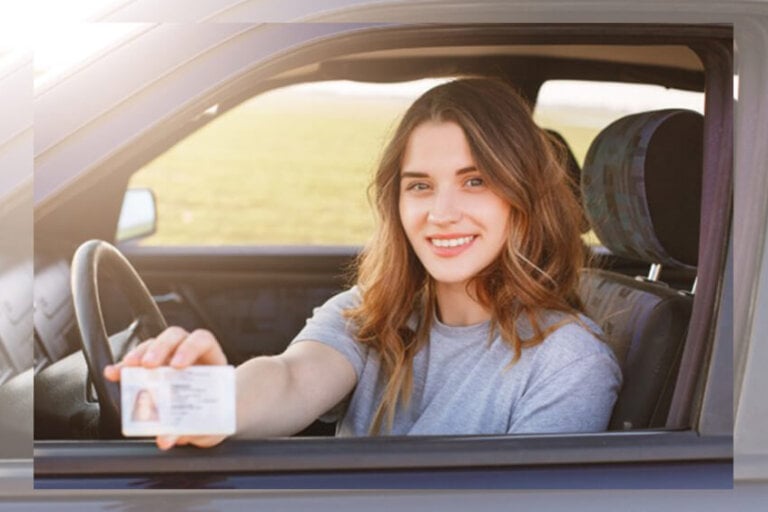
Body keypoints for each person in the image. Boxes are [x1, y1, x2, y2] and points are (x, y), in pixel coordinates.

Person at [104, 77, 621, 449]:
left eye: (475, 180)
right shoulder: (374, 312)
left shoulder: (569, 361)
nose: (441, 213)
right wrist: (214, 399)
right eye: (419, 185)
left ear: (522, 195)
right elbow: (291, 379)